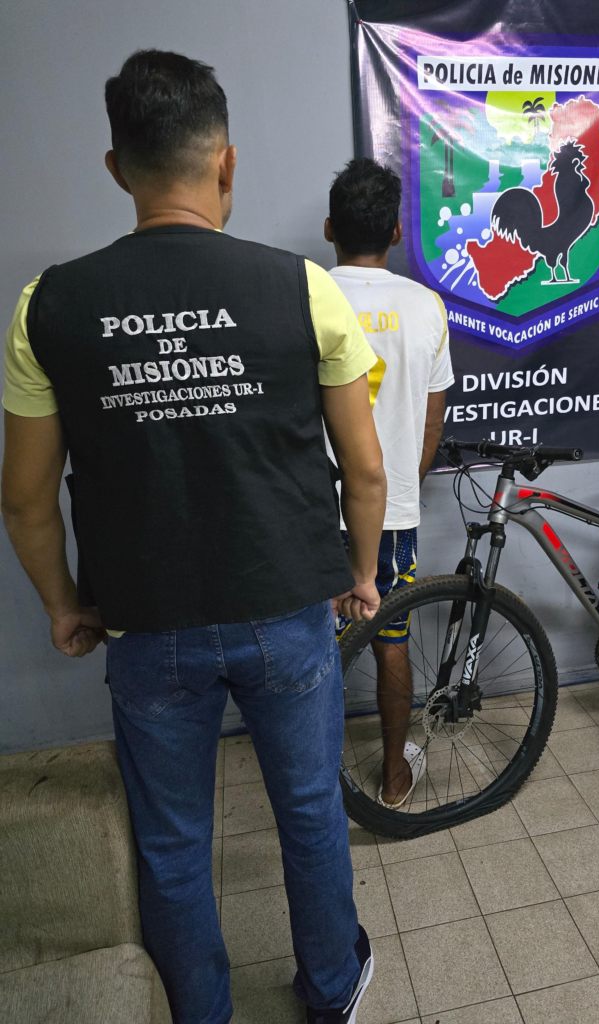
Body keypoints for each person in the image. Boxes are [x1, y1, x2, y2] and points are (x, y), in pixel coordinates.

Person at [1, 51, 387, 1024]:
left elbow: (25, 500)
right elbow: (366, 467)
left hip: (145, 623)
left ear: (116, 168)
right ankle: (331, 988)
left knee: (172, 842)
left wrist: (63, 606)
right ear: (226, 162)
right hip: (287, 611)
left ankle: (200, 1013)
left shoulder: (48, 305)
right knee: (310, 812)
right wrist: (361, 572)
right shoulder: (303, 288)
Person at [324, 158, 454, 808]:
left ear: (330, 228)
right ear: (397, 232)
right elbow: (431, 423)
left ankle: (315, 785)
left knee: (314, 650)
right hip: (392, 513)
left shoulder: (308, 296)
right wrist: (401, 485)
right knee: (391, 640)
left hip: (314, 510)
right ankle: (395, 776)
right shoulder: (425, 305)